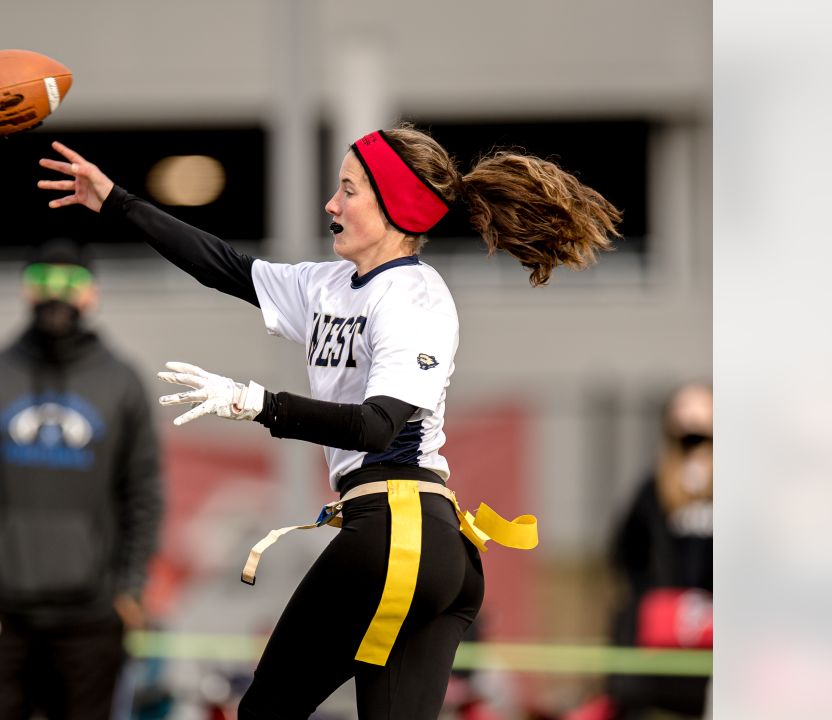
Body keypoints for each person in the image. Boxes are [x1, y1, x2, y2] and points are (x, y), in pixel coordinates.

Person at [37, 125, 620, 719]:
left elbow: (377, 427)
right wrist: (116, 200)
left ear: (395, 205)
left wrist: (255, 402)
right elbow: (224, 267)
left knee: (264, 711)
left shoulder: (413, 295)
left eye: (350, 189)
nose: (332, 203)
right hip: (418, 542)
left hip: (401, 528)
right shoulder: (330, 283)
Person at [0, 240, 164, 720]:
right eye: (43, 282)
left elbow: (143, 493)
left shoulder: (121, 382)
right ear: (25, 289)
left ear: (92, 294)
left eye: (70, 283)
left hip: (92, 615)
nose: (56, 295)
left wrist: (131, 588)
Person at [606, 383, 713, 719]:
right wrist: (650, 597)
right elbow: (625, 550)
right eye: (683, 417)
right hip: (665, 624)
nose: (691, 428)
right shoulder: (654, 487)